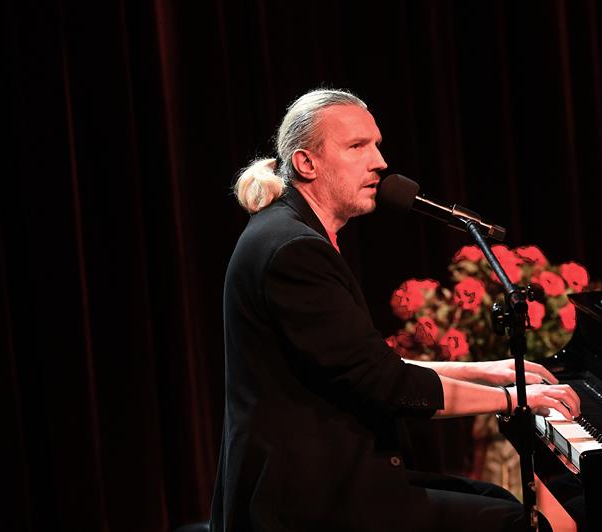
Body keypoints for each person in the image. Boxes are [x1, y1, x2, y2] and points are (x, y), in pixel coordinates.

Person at [209, 88, 580, 532]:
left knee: (496, 498)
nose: (380, 162)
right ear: (307, 163)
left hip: (330, 478)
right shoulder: (294, 250)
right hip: (306, 499)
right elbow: (386, 384)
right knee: (516, 522)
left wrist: (490, 371)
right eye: (357, 146)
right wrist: (513, 398)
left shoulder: (293, 233)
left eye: (377, 144)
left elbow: (366, 364)